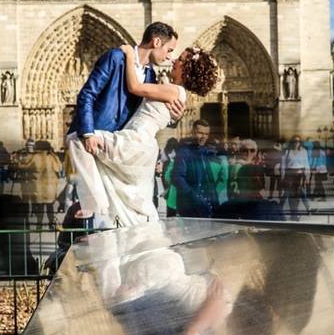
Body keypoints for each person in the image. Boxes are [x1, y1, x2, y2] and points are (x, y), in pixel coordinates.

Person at [68, 44, 219, 227]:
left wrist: (130, 55)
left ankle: (96, 207)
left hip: (135, 140)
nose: (173, 60)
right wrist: (175, 118)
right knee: (126, 197)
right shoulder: (174, 92)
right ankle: (104, 215)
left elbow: (134, 87)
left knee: (78, 138)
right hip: (141, 144)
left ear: (186, 69)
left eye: (179, 59)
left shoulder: (174, 90)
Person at [173, 120, 218, 218]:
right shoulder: (184, 152)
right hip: (191, 208)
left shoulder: (205, 152)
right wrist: (195, 197)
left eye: (206, 134)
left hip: (206, 206)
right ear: (193, 132)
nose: (203, 137)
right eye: (200, 133)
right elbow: (177, 178)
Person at [20, 140, 62, 229]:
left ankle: (39, 225)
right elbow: (59, 168)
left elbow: (23, 166)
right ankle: (51, 224)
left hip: (38, 187)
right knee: (50, 207)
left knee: (40, 208)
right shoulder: (52, 157)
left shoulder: (34, 157)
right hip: (50, 187)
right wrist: (53, 154)